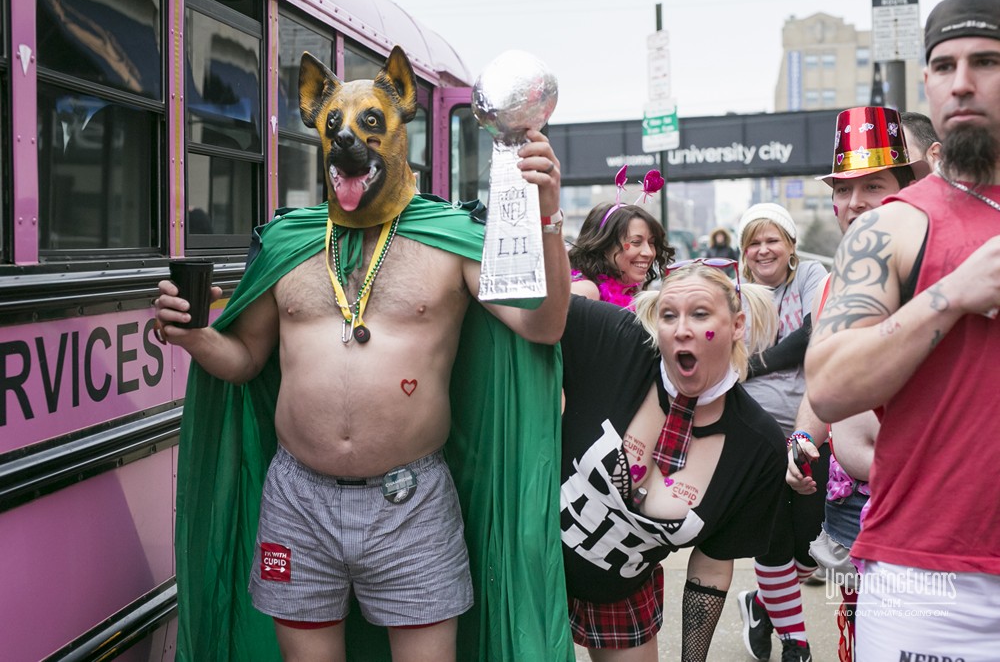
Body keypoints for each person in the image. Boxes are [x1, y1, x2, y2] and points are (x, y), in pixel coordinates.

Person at [155, 47, 572, 661]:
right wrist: (194, 336)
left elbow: (543, 327)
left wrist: (550, 219)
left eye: (371, 124)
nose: (350, 139)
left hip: (413, 499)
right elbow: (244, 360)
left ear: (401, 126)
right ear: (318, 133)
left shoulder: (450, 240)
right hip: (298, 496)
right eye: (335, 127)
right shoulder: (288, 244)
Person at [806, 0, 1000, 659]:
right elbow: (828, 386)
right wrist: (952, 294)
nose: (962, 81)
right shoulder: (895, 225)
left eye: (986, 61)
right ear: (927, 84)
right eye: (943, 66)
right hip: (929, 585)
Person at [560, 260, 786, 662]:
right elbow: (535, 304)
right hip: (525, 563)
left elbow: (712, 566)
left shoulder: (758, 447)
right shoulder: (616, 341)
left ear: (736, 325)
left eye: (700, 315)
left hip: (617, 595)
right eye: (669, 315)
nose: (681, 329)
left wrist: (692, 659)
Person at [787, 105, 929, 662]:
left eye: (872, 186)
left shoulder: (941, 269)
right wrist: (802, 440)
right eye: (842, 191)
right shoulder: (835, 282)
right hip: (845, 509)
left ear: (909, 189)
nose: (854, 204)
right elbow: (824, 384)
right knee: (861, 640)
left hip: (919, 504)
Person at [733, 202, 828, 662]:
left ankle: (764, 604)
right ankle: (797, 643)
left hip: (814, 422)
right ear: (744, 251)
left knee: (812, 544)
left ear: (790, 246)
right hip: (757, 429)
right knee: (772, 535)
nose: (763, 249)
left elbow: (816, 330)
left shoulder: (810, 277)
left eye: (773, 239)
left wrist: (755, 364)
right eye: (754, 241)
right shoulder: (736, 293)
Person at [569, 202, 671, 308]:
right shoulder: (585, 291)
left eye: (651, 243)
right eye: (636, 242)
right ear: (605, 246)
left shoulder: (634, 292)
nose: (649, 252)